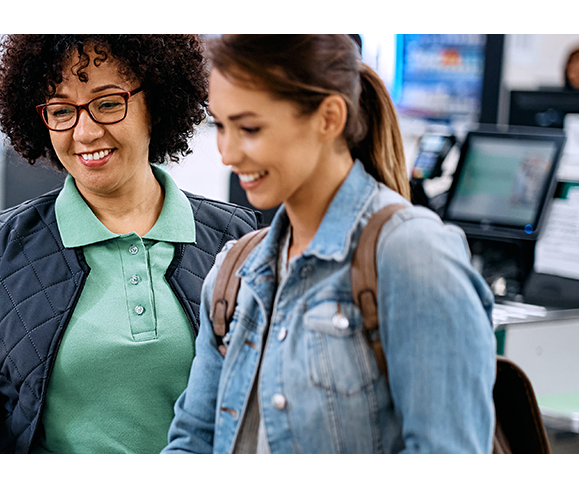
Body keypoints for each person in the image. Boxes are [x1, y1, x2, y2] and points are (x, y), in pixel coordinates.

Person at [0, 34, 260, 454]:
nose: (86, 132)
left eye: (109, 103)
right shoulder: (3, 249)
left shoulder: (236, 239)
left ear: (158, 103)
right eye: (61, 111)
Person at [162, 34, 496, 454]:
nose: (227, 153)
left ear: (329, 117)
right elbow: (194, 439)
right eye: (220, 126)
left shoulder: (412, 256)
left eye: (249, 128)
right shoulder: (235, 271)